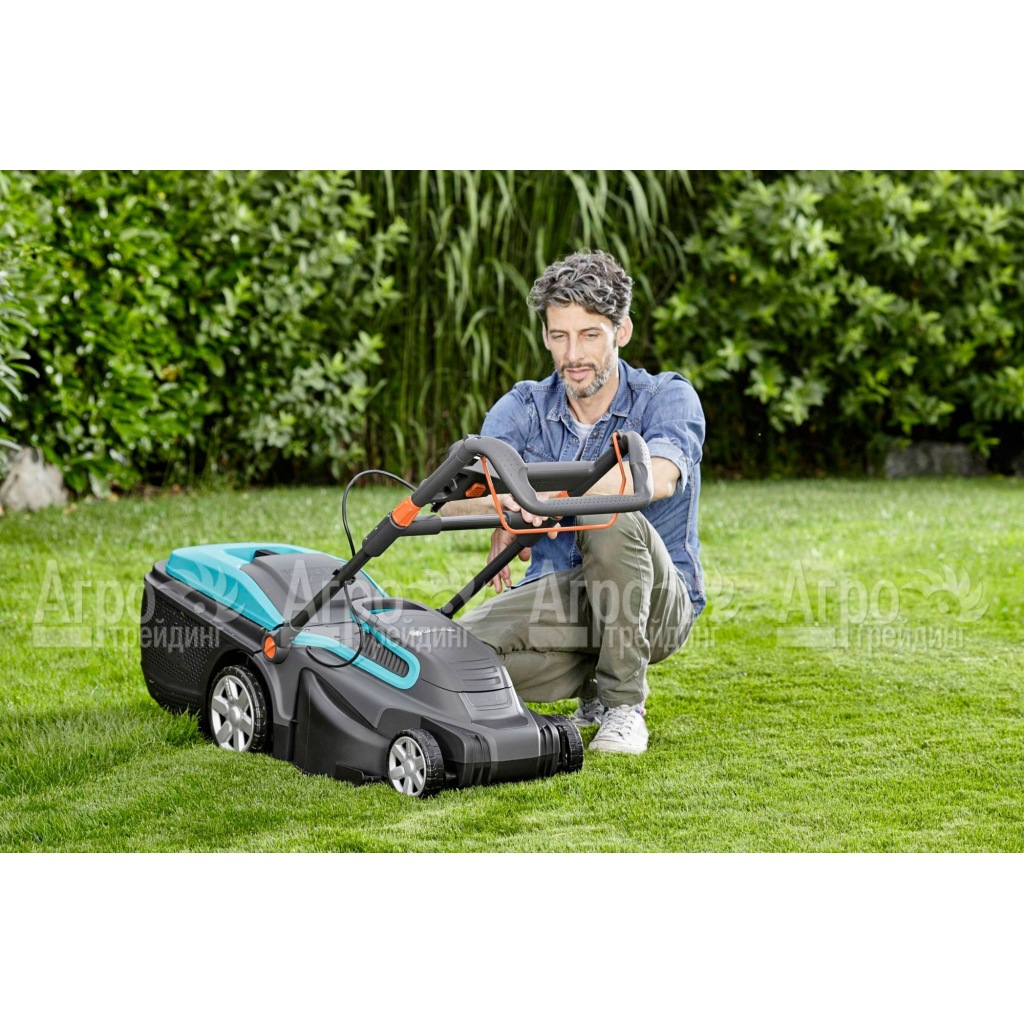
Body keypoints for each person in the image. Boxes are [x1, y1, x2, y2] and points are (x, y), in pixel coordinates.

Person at [451, 250, 706, 754]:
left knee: (608, 513)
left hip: (657, 605)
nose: (573, 355)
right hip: (561, 598)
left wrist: (549, 500)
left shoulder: (667, 397)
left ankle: (623, 706)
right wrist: (507, 506)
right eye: (559, 336)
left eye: (589, 335)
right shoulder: (523, 406)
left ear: (621, 332)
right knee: (455, 659)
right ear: (545, 336)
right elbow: (455, 501)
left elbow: (655, 479)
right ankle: (592, 682)